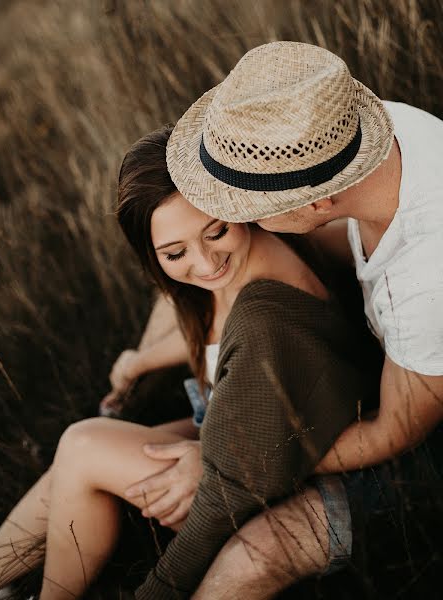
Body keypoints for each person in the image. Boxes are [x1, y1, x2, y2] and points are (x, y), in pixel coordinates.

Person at [0, 124, 380, 600]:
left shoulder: (265, 318)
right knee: (72, 459)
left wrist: (157, 589)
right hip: (241, 424)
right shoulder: (252, 248)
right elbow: (215, 339)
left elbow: (238, 481)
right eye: (175, 253)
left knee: (83, 447)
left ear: (232, 203)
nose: (204, 265)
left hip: (266, 470)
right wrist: (142, 362)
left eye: (215, 232)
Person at [157, 41, 443, 598]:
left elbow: (397, 430)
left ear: (314, 205)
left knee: (256, 556)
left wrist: (241, 468)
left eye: (247, 211)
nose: (238, 221)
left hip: (426, 436)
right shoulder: (365, 132)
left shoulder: (428, 279)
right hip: (409, 368)